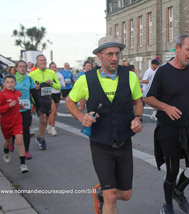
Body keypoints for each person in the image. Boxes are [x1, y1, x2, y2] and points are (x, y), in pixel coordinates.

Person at [65, 36, 143, 214]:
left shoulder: (130, 76)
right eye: (110, 54)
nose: (115, 58)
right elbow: (70, 101)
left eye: (117, 53)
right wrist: (80, 117)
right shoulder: (86, 79)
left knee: (125, 194)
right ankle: (105, 194)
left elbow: (138, 101)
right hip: (101, 143)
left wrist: (137, 117)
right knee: (111, 195)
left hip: (124, 142)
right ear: (99, 56)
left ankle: (99, 193)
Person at [143, 34, 189, 214]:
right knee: (172, 171)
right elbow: (147, 97)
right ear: (177, 49)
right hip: (168, 129)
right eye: (188, 49)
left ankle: (179, 191)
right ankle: (167, 205)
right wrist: (166, 107)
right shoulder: (162, 71)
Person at [29, 55, 61, 150]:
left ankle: (40, 137)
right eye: (41, 60)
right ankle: (42, 139)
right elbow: (29, 88)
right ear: (37, 62)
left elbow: (58, 87)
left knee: (45, 120)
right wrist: (34, 87)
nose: (43, 62)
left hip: (47, 98)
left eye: (44, 60)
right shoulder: (32, 74)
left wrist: (52, 83)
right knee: (43, 119)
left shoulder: (51, 72)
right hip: (37, 99)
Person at [0, 75, 29, 173]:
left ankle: (23, 164)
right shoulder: (2, 95)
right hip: (6, 123)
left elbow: (16, 104)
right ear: (4, 84)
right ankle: (5, 150)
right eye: (7, 82)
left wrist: (19, 106)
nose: (9, 84)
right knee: (7, 142)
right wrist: (8, 105)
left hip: (17, 121)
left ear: (15, 84)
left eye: (12, 82)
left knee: (20, 141)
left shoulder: (18, 93)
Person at [14, 61, 41, 160]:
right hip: (14, 109)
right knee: (14, 130)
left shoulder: (29, 79)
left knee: (26, 130)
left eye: (24, 67)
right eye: (20, 66)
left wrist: (38, 106)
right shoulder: (12, 79)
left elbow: (34, 94)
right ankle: (12, 141)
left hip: (26, 108)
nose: (22, 68)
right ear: (16, 68)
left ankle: (26, 151)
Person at [47, 62, 65, 136]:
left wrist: (59, 82)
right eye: (52, 67)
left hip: (57, 94)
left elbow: (63, 85)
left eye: (55, 67)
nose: (54, 68)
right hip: (49, 94)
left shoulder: (59, 75)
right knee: (53, 112)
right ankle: (53, 128)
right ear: (49, 68)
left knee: (53, 113)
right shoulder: (47, 75)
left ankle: (49, 124)